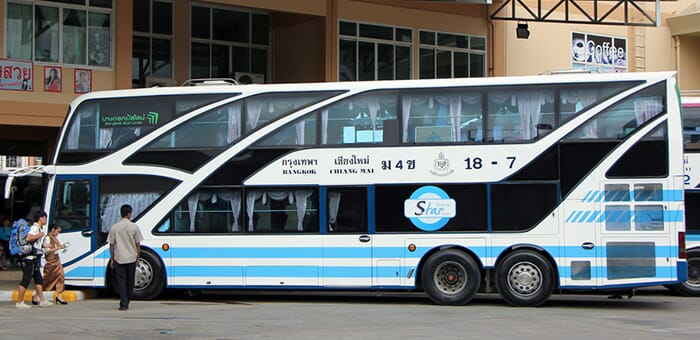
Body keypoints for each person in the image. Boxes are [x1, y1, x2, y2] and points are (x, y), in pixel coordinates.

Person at [107, 204, 143, 311]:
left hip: (119, 258)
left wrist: (112, 259)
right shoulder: (134, 226)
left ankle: (124, 303)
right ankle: (127, 301)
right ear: (129, 214)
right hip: (131, 257)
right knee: (130, 281)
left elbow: (111, 244)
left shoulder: (115, 227)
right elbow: (138, 243)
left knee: (121, 282)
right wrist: (138, 257)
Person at [16, 211, 53, 309]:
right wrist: (40, 235)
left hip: (35, 257)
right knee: (26, 279)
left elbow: (36, 244)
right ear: (40, 218)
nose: (46, 220)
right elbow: (28, 238)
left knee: (38, 279)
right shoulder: (35, 228)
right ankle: (19, 302)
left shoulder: (38, 228)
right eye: (45, 218)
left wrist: (45, 245)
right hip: (30, 258)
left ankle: (42, 300)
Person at [42, 224, 67, 304]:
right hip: (50, 261)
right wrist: (59, 247)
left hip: (56, 260)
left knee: (61, 276)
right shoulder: (48, 238)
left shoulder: (55, 239)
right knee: (47, 279)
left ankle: (59, 296)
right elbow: (47, 250)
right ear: (53, 229)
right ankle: (37, 294)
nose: (57, 233)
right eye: (57, 231)